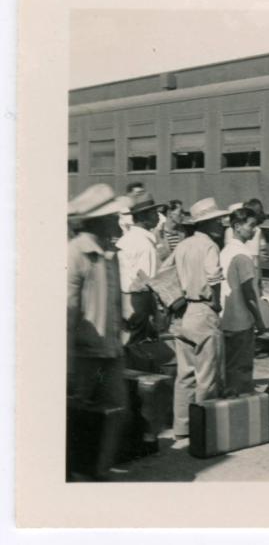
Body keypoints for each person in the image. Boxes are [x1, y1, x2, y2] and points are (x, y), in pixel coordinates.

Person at [67, 184, 131, 478]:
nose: (118, 221)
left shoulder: (109, 253)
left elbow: (115, 301)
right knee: (77, 413)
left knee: (117, 408)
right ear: (97, 219)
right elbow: (67, 310)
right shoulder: (75, 254)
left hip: (111, 347)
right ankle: (76, 473)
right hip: (84, 351)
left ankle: (99, 468)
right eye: (112, 216)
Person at [161, 198, 229, 448]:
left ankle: (181, 430)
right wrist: (217, 302)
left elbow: (163, 272)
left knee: (185, 374)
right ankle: (204, 431)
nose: (223, 224)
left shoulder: (183, 244)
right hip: (203, 310)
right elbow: (214, 276)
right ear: (208, 223)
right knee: (206, 376)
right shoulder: (210, 245)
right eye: (218, 221)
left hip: (182, 312)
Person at [220, 207, 268, 395]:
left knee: (228, 366)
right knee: (242, 368)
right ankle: (240, 407)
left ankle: (228, 404)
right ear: (238, 226)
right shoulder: (243, 255)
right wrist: (259, 320)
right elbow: (249, 294)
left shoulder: (225, 251)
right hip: (240, 321)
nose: (254, 230)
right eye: (251, 225)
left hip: (224, 317)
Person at [115, 190, 162, 345]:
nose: (158, 216)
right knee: (137, 347)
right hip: (139, 303)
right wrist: (155, 314)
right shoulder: (144, 244)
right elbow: (147, 282)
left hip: (125, 303)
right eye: (154, 212)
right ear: (143, 217)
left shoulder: (126, 239)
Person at [225, 198, 268, 292]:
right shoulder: (256, 231)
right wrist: (258, 281)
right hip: (249, 274)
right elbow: (255, 258)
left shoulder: (228, 231)